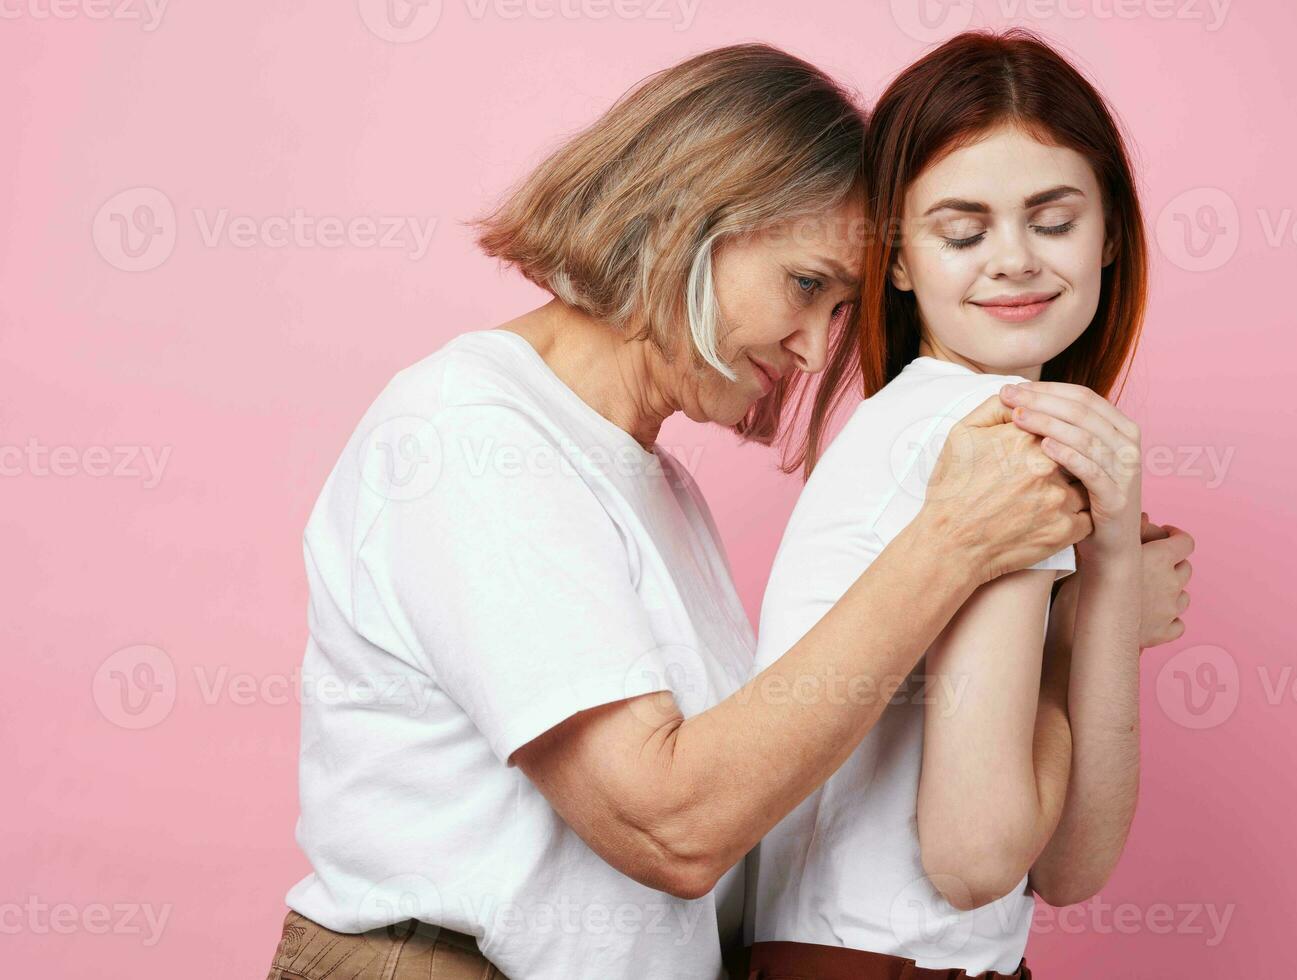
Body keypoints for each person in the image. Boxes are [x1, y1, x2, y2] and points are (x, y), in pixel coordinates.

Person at [263, 42, 1112, 980]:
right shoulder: (468, 432)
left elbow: (740, 821)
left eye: (838, 307)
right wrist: (948, 546)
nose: (812, 346)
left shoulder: (658, 488)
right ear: (690, 220)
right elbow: (671, 827)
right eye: (804, 286)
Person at [746, 30, 1196, 979]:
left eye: (1054, 220)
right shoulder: (985, 437)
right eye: (962, 232)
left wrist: (1106, 573)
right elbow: (978, 857)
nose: (1014, 261)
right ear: (899, 262)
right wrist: (1091, 621)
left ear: (1110, 231)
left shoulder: (939, 419)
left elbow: (1069, 870)